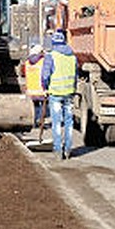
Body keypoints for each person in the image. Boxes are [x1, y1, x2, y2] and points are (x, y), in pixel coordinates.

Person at [40, 29, 77, 159]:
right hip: (69, 93)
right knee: (69, 121)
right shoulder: (73, 57)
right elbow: (75, 75)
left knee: (56, 122)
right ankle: (67, 149)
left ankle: (58, 150)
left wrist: (44, 87)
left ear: (54, 42)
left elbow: (45, 75)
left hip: (55, 93)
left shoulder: (51, 56)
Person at [22, 43, 47, 130]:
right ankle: (40, 121)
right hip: (41, 89)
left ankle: (34, 121)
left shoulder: (27, 62)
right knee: (42, 106)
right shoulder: (43, 61)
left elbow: (25, 74)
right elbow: (45, 74)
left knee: (35, 106)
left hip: (31, 89)